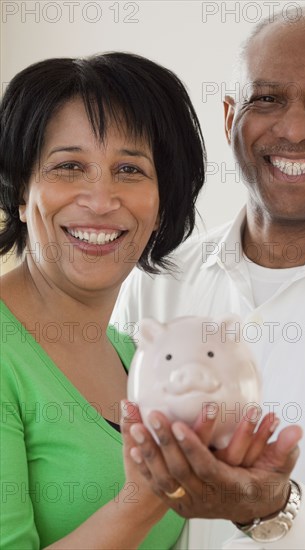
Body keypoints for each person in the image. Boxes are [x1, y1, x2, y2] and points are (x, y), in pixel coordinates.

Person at [114, 6, 305, 549]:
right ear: (231, 116)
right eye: (267, 99)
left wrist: (274, 509)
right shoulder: (156, 280)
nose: (295, 129)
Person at [0, 51, 209, 549]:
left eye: (130, 170)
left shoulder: (136, 359)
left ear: (162, 205)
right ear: (22, 194)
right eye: (69, 166)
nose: (100, 199)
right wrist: (144, 500)